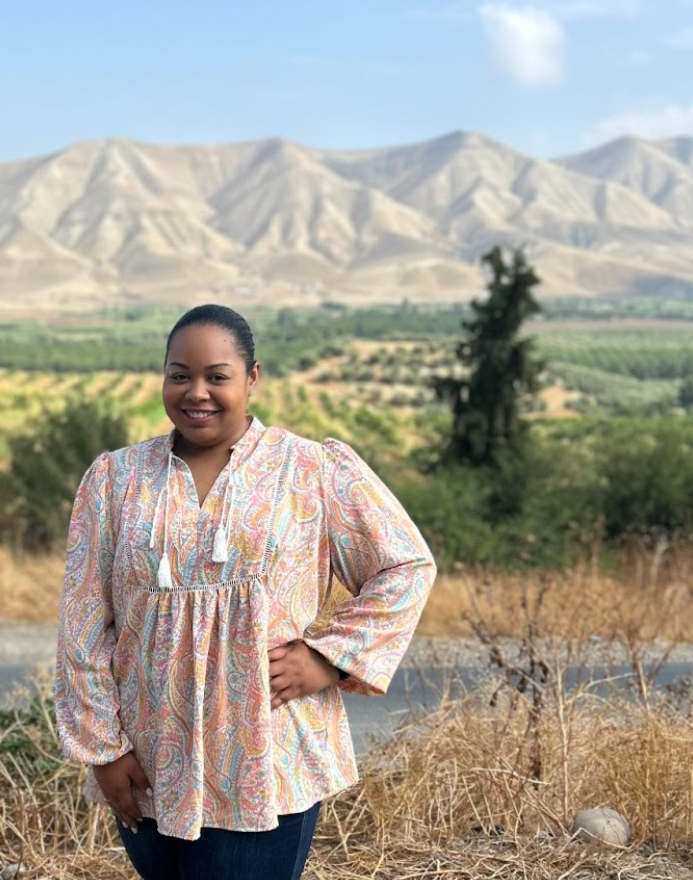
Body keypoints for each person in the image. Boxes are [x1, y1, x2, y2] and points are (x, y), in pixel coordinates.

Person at [55, 304, 437, 880]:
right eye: (179, 374)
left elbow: (406, 565)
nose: (196, 392)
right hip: (148, 766)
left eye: (217, 376)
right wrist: (103, 750)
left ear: (252, 377)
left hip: (266, 763)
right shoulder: (116, 480)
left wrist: (329, 659)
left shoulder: (311, 471)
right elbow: (83, 622)